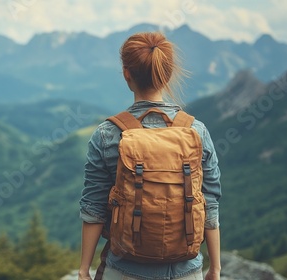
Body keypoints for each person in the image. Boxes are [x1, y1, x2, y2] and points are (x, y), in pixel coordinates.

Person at [78, 32, 222, 280]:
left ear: (126, 74)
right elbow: (210, 202)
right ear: (167, 75)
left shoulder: (107, 135)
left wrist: (83, 270)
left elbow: (93, 208)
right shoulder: (196, 132)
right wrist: (215, 268)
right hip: (186, 270)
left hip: (124, 269)